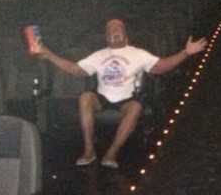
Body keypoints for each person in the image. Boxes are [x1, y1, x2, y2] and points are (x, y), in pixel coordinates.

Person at [31, 18, 207, 168]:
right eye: (110, 29)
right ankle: (89, 150)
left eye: (118, 28)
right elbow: (75, 70)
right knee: (85, 96)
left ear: (126, 35)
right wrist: (49, 55)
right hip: (102, 98)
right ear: (106, 36)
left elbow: (161, 67)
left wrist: (186, 53)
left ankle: (111, 153)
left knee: (136, 107)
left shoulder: (138, 53)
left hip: (127, 100)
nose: (114, 31)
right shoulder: (99, 55)